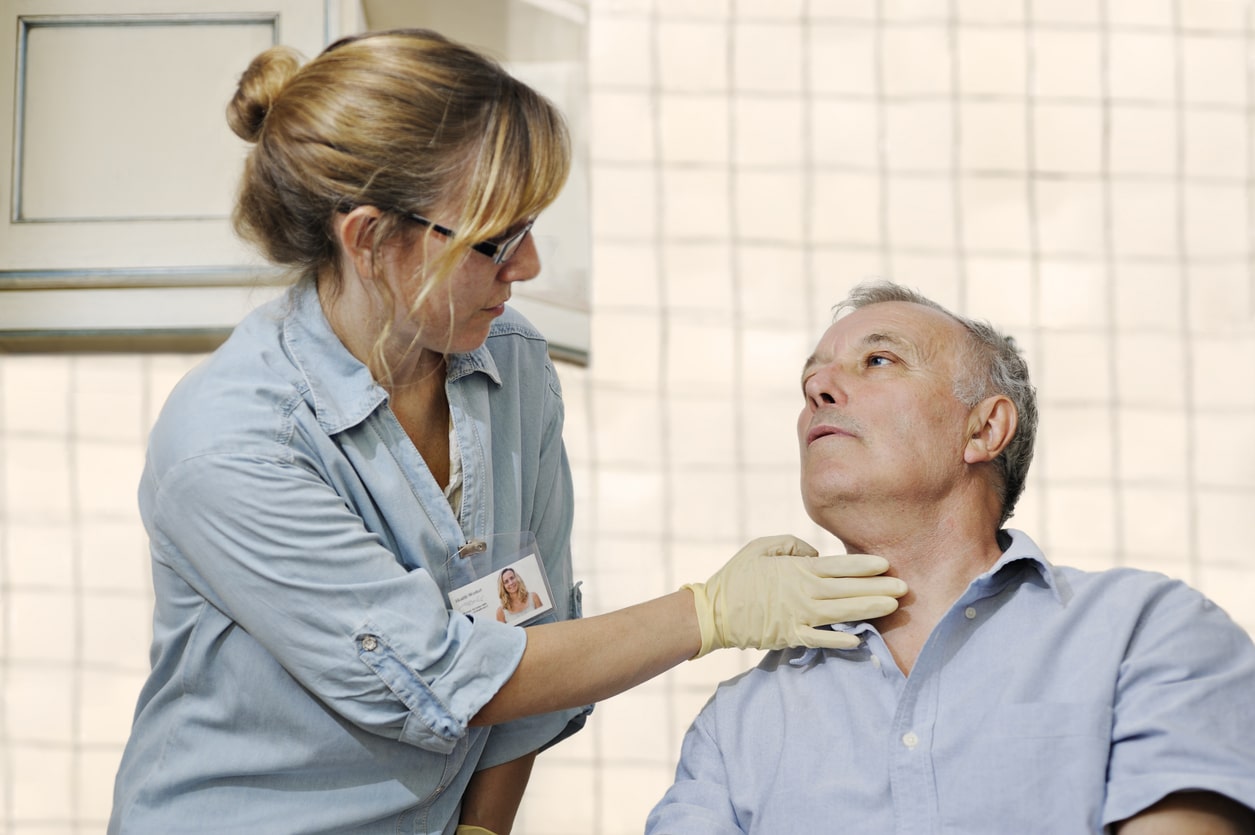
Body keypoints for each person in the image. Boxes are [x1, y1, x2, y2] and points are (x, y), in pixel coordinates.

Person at [107, 30, 908, 835]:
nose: (524, 267)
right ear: (369, 240)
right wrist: (708, 613)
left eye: (531, 228)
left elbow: (532, 630)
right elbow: (441, 676)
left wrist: (484, 828)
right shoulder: (233, 442)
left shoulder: (509, 362)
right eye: (492, 240)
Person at [646, 280, 1255, 834]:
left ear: (984, 430)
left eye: (878, 360)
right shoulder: (736, 724)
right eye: (811, 380)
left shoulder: (1145, 631)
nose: (817, 390)